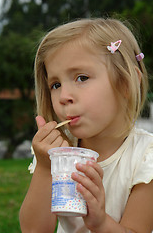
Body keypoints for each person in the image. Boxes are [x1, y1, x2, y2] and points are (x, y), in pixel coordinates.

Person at [19, 18, 153, 233]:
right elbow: (34, 230)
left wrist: (100, 223)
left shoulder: (146, 158)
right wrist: (45, 168)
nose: (64, 96)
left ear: (126, 83)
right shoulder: (57, 155)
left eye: (81, 78)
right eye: (55, 84)